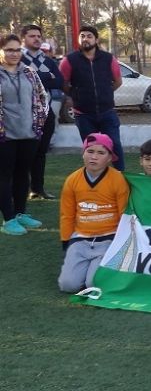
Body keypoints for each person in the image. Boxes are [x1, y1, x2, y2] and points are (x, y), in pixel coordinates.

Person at [58, 133, 129, 292]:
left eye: (101, 153)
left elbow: (124, 213)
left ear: (110, 157)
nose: (94, 157)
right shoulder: (72, 179)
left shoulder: (118, 179)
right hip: (81, 239)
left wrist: (121, 244)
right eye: (90, 151)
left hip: (108, 240)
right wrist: (66, 242)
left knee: (93, 284)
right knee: (68, 285)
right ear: (83, 153)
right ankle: (83, 268)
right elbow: (67, 214)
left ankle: (99, 270)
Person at [0, 34, 48, 235]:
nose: (14, 53)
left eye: (17, 49)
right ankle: (8, 219)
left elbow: (42, 96)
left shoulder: (29, 72)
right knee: (4, 177)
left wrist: (39, 125)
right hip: (4, 137)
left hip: (29, 134)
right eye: (9, 49)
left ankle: (20, 213)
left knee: (22, 174)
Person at [59, 25, 124, 170]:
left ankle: (120, 176)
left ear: (96, 40)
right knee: (91, 149)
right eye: (82, 36)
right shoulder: (69, 60)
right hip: (83, 115)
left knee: (115, 144)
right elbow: (63, 83)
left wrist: (106, 92)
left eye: (89, 36)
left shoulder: (108, 59)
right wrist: (75, 95)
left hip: (107, 112)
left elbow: (118, 81)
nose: (85, 39)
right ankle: (95, 176)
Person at [21, 24, 64, 200]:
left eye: (39, 36)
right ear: (24, 38)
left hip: (45, 112)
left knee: (40, 152)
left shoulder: (48, 60)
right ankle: (21, 189)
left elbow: (59, 82)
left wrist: (37, 77)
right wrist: (45, 77)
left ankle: (38, 189)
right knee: (23, 153)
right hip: (23, 113)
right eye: (32, 36)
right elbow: (25, 80)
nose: (37, 39)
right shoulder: (18, 59)